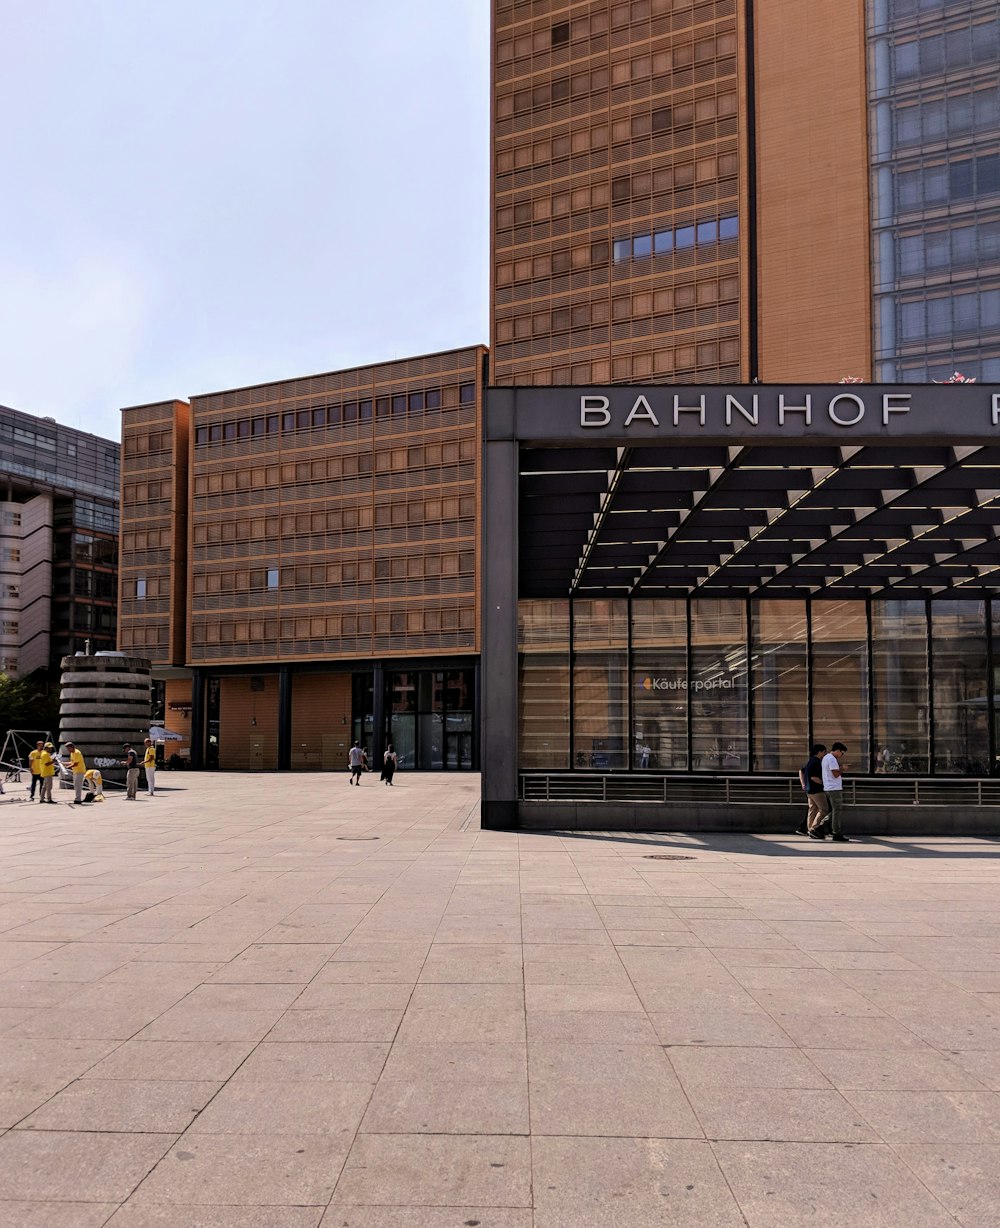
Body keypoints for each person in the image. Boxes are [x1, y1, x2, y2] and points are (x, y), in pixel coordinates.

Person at [820, 742, 851, 842]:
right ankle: (835, 832)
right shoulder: (832, 759)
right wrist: (842, 768)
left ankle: (819, 827)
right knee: (837, 811)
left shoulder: (826, 758)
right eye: (842, 753)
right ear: (837, 751)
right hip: (834, 788)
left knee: (835, 810)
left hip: (829, 787)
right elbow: (835, 774)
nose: (842, 755)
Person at [796, 743, 828, 838]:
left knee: (812, 809)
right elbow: (814, 777)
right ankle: (814, 828)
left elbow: (801, 771)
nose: (825, 754)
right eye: (824, 752)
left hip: (809, 790)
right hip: (817, 790)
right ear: (820, 752)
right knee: (824, 809)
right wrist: (824, 784)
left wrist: (803, 784)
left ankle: (810, 829)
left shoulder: (810, 761)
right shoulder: (816, 762)